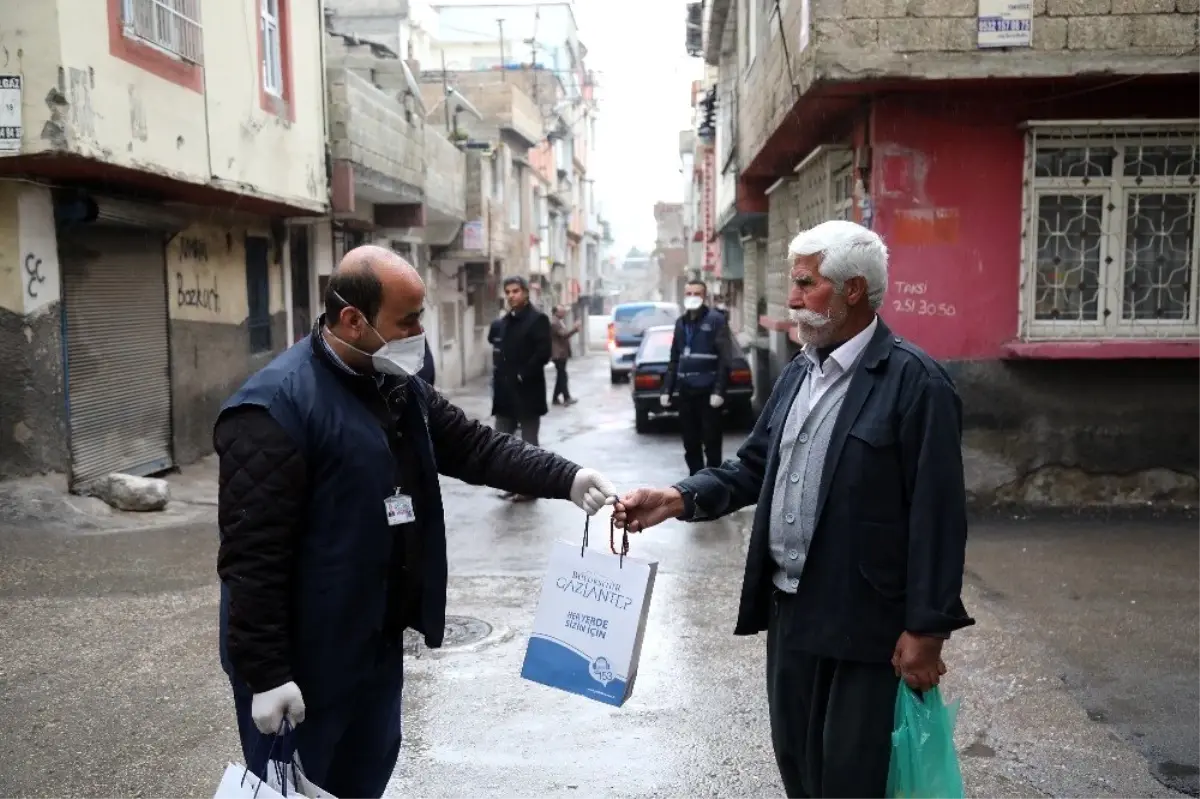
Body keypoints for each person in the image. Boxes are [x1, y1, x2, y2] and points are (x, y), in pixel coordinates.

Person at [213, 246, 617, 799]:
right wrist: (265, 675)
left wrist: (567, 478)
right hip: (302, 664)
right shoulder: (273, 410)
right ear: (354, 319)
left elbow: (475, 446)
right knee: (296, 790)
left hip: (373, 646)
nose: (420, 331)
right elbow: (251, 560)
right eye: (408, 319)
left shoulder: (395, 386)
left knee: (363, 781)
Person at [613, 220, 974, 799]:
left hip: (867, 621)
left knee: (851, 777)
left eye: (806, 283)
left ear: (853, 289)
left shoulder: (916, 383)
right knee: (798, 766)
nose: (793, 296)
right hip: (793, 611)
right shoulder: (798, 372)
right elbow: (754, 467)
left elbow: (938, 515)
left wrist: (927, 628)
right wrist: (679, 497)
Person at [661, 280, 733, 475]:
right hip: (686, 392)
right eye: (689, 293)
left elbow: (725, 358)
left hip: (708, 393)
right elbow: (674, 358)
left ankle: (713, 485)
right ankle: (695, 484)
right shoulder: (680, 323)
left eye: (696, 293)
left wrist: (719, 390)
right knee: (690, 442)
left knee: (711, 441)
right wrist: (667, 389)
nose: (692, 297)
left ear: (704, 296)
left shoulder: (716, 320)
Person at [491, 276, 552, 502]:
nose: (511, 296)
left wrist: (522, 374)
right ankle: (509, 484)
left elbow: (543, 354)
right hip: (505, 394)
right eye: (507, 292)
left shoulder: (538, 320)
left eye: (515, 291)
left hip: (527, 392)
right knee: (503, 443)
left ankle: (529, 487)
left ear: (526, 292)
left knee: (528, 445)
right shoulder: (505, 321)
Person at [550, 304, 581, 406]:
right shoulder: (554, 322)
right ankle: (566, 397)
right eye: (561, 311)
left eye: (564, 311)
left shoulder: (558, 321)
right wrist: (575, 329)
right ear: (556, 312)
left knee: (561, 376)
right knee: (563, 376)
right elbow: (564, 335)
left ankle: (555, 398)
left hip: (561, 353)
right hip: (558, 354)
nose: (563, 313)